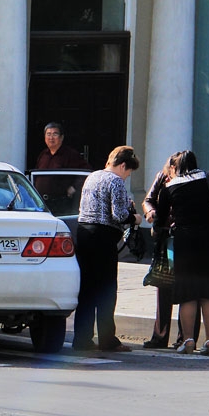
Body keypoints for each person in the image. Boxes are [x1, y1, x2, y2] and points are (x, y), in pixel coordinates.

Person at [156, 150, 209, 356]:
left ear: (177, 167)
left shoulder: (170, 187)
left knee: (188, 294)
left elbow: (160, 221)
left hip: (185, 243)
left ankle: (187, 341)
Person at [72, 146, 142, 352]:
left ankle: (81, 339)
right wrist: (135, 217)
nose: (127, 177)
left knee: (86, 290)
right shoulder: (116, 181)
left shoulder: (92, 177)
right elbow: (119, 215)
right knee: (106, 290)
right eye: (128, 172)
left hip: (84, 233)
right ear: (122, 166)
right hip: (103, 238)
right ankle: (107, 339)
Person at [141, 152, 200, 349]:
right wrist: (151, 212)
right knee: (164, 286)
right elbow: (148, 200)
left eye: (177, 168)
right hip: (165, 237)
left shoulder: (193, 182)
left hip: (185, 238)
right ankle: (160, 336)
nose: (174, 171)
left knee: (188, 288)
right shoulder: (162, 177)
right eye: (172, 167)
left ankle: (186, 337)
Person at [34, 122, 91, 215]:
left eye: (55, 134)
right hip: (42, 203)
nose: (51, 138)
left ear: (61, 137)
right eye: (48, 134)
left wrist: (74, 187)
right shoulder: (43, 155)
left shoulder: (70, 154)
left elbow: (86, 172)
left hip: (61, 203)